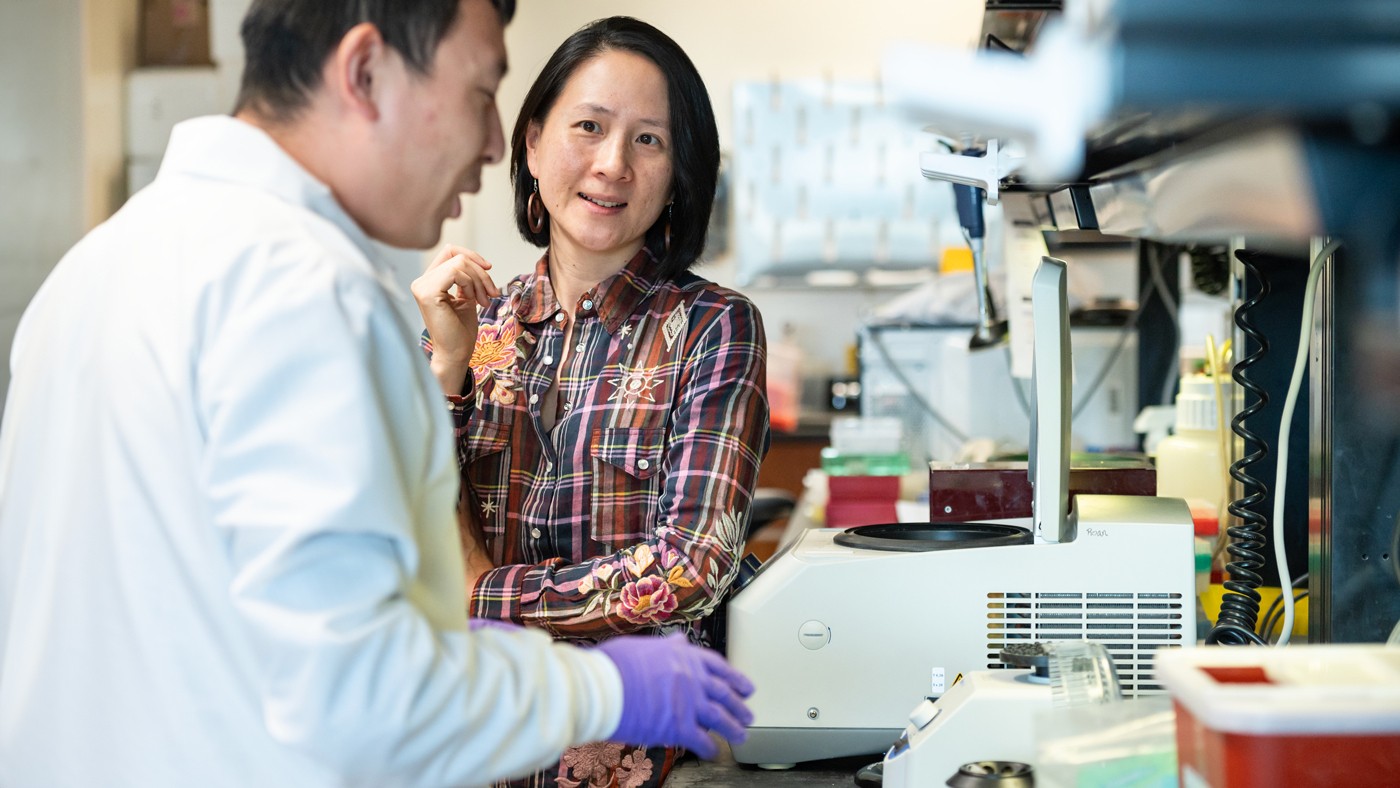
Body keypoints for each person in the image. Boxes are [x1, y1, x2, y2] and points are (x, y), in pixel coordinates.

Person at [0, 2, 754, 786]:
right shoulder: (308, 292)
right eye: (480, 92)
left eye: (647, 140)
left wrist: (489, 601)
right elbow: (364, 698)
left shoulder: (93, 269)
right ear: (365, 73)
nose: (494, 142)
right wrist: (602, 687)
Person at [413, 16, 770, 786]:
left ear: (680, 172)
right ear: (534, 143)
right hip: (477, 744)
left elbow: (690, 568)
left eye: (649, 140)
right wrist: (444, 367)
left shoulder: (713, 328)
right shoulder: (474, 328)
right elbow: (404, 546)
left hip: (644, 758)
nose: (612, 164)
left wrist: (486, 594)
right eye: (589, 126)